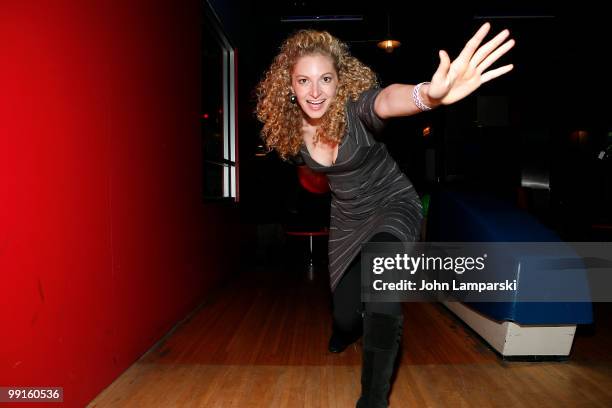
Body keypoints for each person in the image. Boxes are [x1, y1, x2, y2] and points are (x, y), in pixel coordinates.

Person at [255, 23, 514, 407]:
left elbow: (388, 100)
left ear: (339, 82)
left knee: (381, 284)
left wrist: (428, 95)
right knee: (345, 316)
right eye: (303, 81)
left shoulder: (356, 111)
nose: (315, 92)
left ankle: (373, 399)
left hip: (393, 205)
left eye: (325, 79)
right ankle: (346, 330)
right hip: (346, 218)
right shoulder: (292, 137)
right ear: (288, 87)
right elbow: (313, 179)